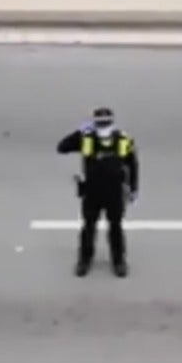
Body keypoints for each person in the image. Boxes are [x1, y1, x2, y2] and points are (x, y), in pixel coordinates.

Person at [55, 106, 139, 277]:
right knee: (88, 226)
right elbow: (62, 147)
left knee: (115, 226)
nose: (103, 127)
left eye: (105, 123)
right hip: (92, 190)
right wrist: (78, 132)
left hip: (114, 191)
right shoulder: (86, 137)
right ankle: (84, 260)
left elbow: (133, 164)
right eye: (99, 124)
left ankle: (119, 261)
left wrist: (133, 188)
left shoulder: (123, 139)